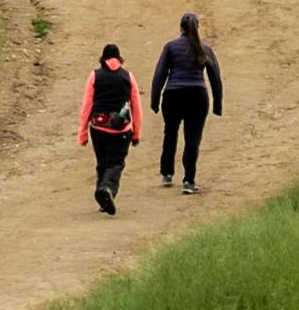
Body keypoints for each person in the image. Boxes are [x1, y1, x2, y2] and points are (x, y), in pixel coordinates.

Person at [151, 11, 226, 190]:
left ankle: (167, 174)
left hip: (173, 96)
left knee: (170, 133)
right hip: (197, 96)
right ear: (197, 27)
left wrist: (154, 100)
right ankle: (188, 181)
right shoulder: (204, 49)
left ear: (180, 28)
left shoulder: (170, 47)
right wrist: (217, 104)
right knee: (192, 139)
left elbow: (159, 75)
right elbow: (215, 77)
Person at [77, 40, 139, 214]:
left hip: (98, 127)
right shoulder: (128, 76)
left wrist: (82, 133)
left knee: (102, 163)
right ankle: (107, 189)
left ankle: (102, 196)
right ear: (119, 58)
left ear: (102, 59)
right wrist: (136, 133)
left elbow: (87, 106)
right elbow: (136, 107)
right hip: (122, 129)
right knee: (116, 163)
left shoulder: (94, 76)